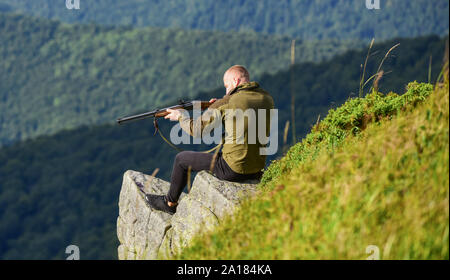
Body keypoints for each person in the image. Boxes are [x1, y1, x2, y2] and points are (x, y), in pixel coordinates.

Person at [145, 65, 275, 214]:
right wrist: (220, 104)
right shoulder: (266, 98)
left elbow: (197, 130)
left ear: (235, 81)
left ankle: (169, 203)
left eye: (227, 86)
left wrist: (181, 116)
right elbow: (242, 113)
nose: (226, 91)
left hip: (233, 169)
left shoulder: (226, 103)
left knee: (181, 159)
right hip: (257, 168)